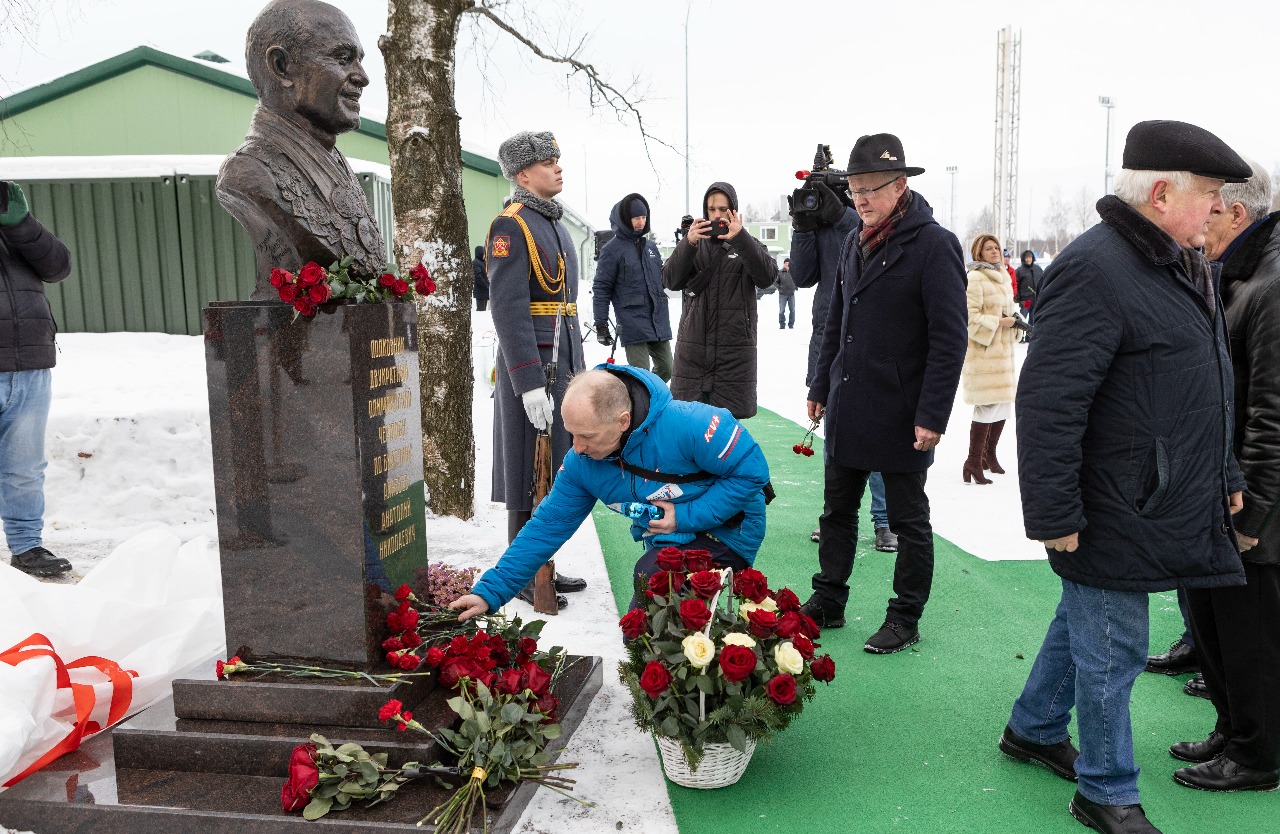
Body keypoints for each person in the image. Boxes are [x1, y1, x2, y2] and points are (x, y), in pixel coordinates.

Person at [999, 120, 1250, 834]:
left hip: (1152, 494)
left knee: (1086, 616)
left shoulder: (1179, 260)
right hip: (1111, 503)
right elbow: (1048, 403)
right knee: (1113, 651)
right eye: (1209, 194)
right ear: (1163, 192)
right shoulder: (1095, 268)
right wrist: (1053, 513)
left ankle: (1035, 726)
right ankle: (1105, 790)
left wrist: (1224, 468)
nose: (1219, 209)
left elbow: (1209, 383)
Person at [801, 133, 967, 654]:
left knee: (907, 519)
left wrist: (932, 414)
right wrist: (820, 383)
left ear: (900, 186)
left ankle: (905, 615)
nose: (862, 199)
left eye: (871, 188)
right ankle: (828, 597)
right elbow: (837, 321)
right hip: (849, 401)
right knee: (836, 511)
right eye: (854, 189)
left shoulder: (934, 245)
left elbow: (949, 338)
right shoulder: (854, 240)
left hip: (902, 411)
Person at [449, 365, 769, 621]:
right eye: (571, 433)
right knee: (639, 629)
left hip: (728, 529)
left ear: (623, 420)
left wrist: (684, 517)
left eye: (586, 436)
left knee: (655, 595)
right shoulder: (582, 462)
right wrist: (489, 592)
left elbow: (752, 473)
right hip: (669, 540)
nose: (576, 448)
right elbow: (546, 526)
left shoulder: (692, 423)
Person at [1168, 158, 1280, 793]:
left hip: (1253, 506)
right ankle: (1232, 728)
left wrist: (1252, 516)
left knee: (1252, 639)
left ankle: (1257, 756)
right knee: (1213, 626)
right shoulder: (1232, 275)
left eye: (1209, 204)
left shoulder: (1269, 283)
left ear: (1238, 213)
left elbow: (1272, 413)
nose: (1199, 217)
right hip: (1220, 491)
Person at [216, 0, 386, 301]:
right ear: (282, 67)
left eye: (358, 60)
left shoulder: (335, 161)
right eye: (343, 58)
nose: (362, 76)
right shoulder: (249, 173)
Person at [486, 130, 588, 608]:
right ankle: (522, 574)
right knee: (529, 469)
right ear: (523, 174)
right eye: (549, 161)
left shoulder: (552, 223)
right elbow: (507, 310)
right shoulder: (511, 226)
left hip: (562, 359)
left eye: (557, 158)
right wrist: (526, 382)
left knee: (556, 466)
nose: (559, 167)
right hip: (534, 367)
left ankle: (544, 562)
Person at [790, 178, 897, 552]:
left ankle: (885, 521)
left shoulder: (861, 215)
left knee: (880, 434)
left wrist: (839, 214)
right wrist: (802, 225)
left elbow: (872, 231)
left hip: (873, 341)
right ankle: (834, 516)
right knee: (835, 437)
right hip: (829, 337)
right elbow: (802, 276)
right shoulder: (820, 222)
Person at [0, 181, 73, 578]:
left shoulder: (13, 228)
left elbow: (58, 266)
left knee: (24, 468)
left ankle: (27, 547)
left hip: (28, 364)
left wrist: (20, 223)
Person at [662, 181, 777, 418]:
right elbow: (670, 281)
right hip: (693, 353)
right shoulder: (694, 244)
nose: (717, 215)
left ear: (733, 210)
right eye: (712, 209)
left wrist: (741, 238)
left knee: (726, 436)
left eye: (723, 209)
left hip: (732, 356)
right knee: (690, 432)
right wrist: (688, 243)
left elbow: (767, 278)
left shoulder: (748, 244)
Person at [592, 193, 672, 381]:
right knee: (641, 375)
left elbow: (663, 279)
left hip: (658, 319)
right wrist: (601, 324)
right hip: (632, 321)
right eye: (636, 218)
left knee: (668, 368)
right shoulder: (612, 250)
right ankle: (638, 405)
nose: (641, 222)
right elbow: (602, 288)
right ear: (625, 219)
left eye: (644, 217)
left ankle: (650, 399)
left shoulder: (651, 247)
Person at [960, 234, 1018, 485]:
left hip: (1001, 352)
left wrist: (1014, 321)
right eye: (988, 248)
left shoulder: (1002, 277)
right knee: (985, 407)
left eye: (996, 248)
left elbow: (1007, 309)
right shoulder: (975, 278)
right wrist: (1000, 323)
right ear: (978, 253)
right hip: (983, 354)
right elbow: (969, 319)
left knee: (1003, 404)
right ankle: (972, 461)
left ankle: (988, 456)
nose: (994, 252)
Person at [1014, 249, 1042, 341]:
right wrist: (1018, 298)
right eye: (1026, 258)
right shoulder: (1019, 270)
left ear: (1032, 258)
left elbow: (1043, 281)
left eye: (1030, 257)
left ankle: (1029, 337)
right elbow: (1015, 284)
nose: (1028, 259)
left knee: (1033, 318)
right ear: (1023, 259)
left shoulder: (1038, 269)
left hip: (1035, 299)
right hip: (1025, 300)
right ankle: (1019, 336)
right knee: (1022, 317)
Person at [776, 257, 797, 329]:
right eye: (786, 263)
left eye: (788, 263)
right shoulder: (780, 272)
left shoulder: (794, 272)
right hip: (782, 294)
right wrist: (779, 288)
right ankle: (782, 324)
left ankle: (791, 324)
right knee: (782, 310)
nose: (787, 264)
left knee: (792, 310)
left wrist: (795, 287)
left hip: (791, 294)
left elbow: (797, 280)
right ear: (784, 264)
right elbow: (775, 282)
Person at [473, 245, 489, 312]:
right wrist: (486, 285)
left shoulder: (482, 262)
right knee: (480, 311)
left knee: (483, 310)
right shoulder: (476, 263)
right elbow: (478, 276)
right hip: (480, 291)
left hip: (484, 291)